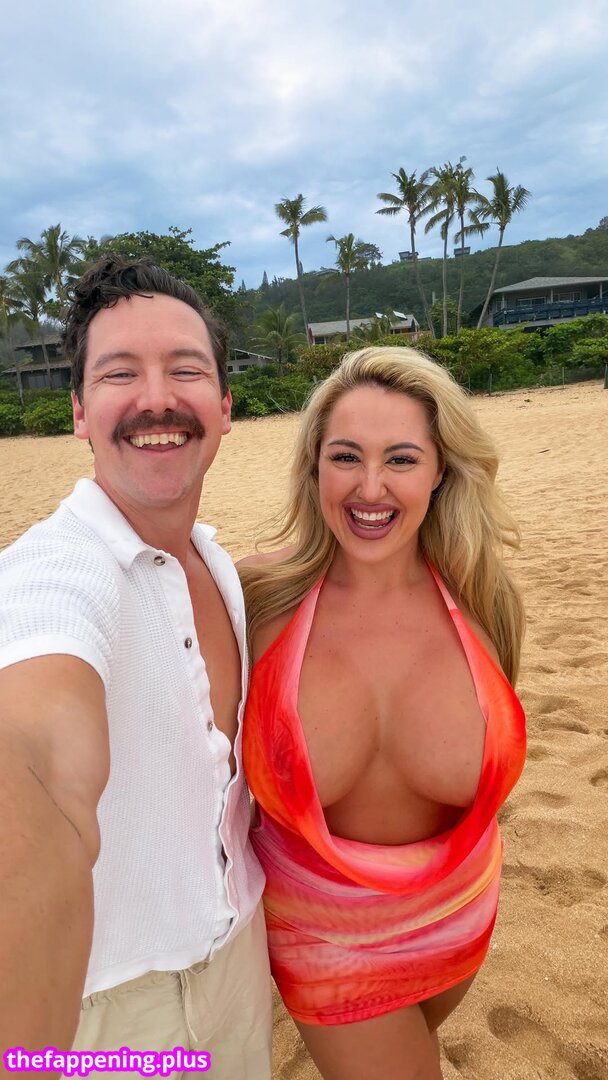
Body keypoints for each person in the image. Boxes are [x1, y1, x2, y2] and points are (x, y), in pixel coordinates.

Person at [0, 257, 272, 1079]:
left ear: (225, 406)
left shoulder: (217, 563)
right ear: (80, 412)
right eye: (120, 373)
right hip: (109, 1013)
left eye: (186, 370)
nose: (157, 398)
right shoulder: (53, 575)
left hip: (240, 958)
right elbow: (36, 756)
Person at [239, 346, 526, 1080]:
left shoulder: (483, 596)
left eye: (401, 459)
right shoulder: (258, 604)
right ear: (313, 468)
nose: (371, 488)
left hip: (461, 913)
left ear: (441, 470)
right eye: (345, 457)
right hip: (322, 937)